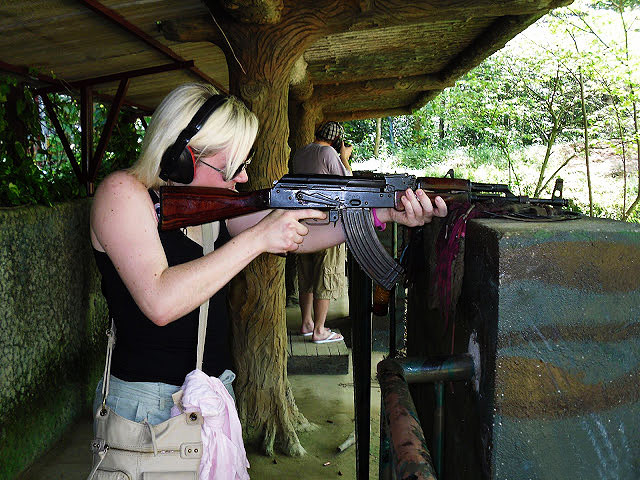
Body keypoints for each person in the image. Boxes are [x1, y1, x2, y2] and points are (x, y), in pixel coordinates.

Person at [90, 83, 447, 427]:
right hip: (147, 410)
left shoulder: (208, 205)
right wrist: (260, 237)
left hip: (209, 393)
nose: (243, 177)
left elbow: (296, 235)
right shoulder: (122, 194)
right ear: (183, 158)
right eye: (233, 167)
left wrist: (380, 213)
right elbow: (160, 301)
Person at [290, 122, 350, 344]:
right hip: (326, 223)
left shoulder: (301, 153)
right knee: (326, 274)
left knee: (306, 276)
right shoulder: (328, 152)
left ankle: (306, 323)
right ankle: (320, 330)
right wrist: (344, 157)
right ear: (336, 140)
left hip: (303, 221)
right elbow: (346, 182)